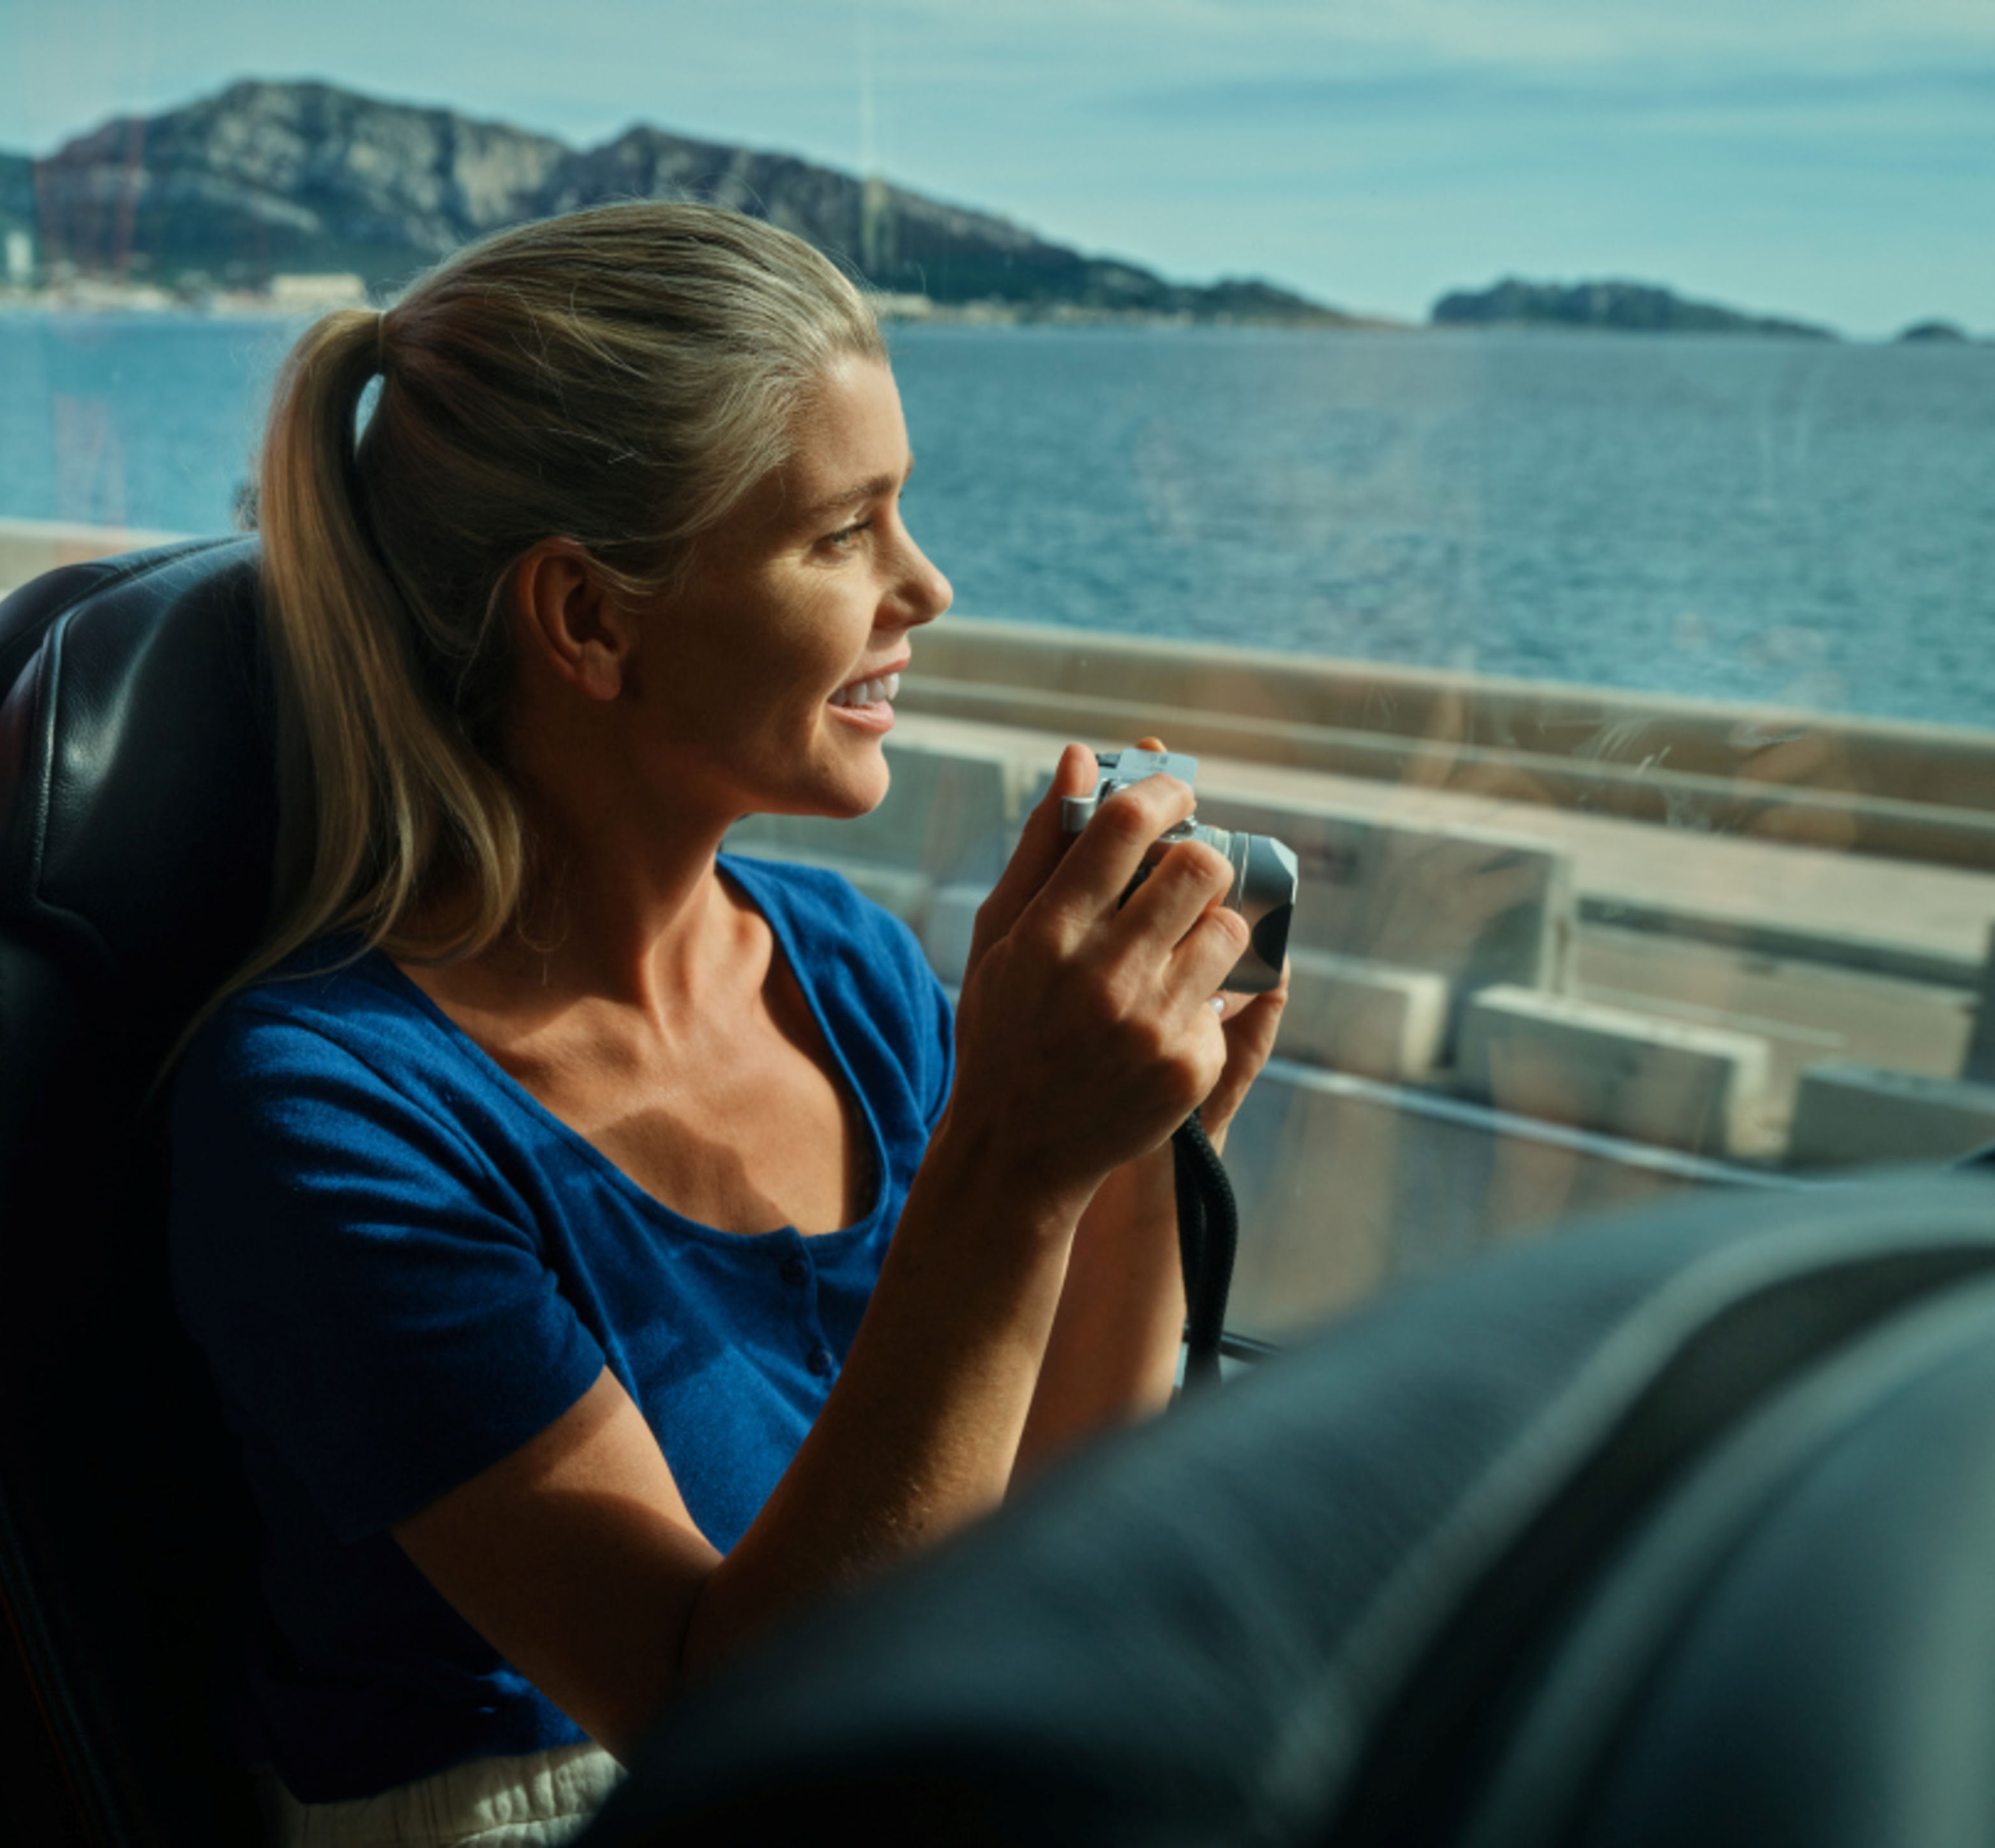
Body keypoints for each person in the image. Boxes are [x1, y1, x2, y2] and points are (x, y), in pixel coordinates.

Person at [167, 201, 1287, 1847]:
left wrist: (1130, 1159)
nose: (928, 583)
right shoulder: (325, 1120)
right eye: (844, 532)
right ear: (590, 620)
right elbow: (739, 1736)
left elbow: (1035, 1539)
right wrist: (1017, 1157)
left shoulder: (846, 972)